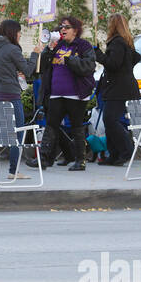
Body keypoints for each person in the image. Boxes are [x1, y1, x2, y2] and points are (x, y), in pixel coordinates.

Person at [35, 15, 96, 170]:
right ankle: (43, 159)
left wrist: (69, 60)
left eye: (66, 27)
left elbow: (88, 66)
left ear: (75, 30)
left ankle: (80, 160)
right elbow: (42, 67)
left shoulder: (83, 46)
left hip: (76, 94)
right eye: (61, 27)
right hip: (56, 93)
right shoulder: (57, 45)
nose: (63, 29)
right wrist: (48, 49)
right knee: (51, 126)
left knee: (76, 126)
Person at [0, 19, 38, 179]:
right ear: (12, 32)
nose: (20, 35)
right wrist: (35, 53)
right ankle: (13, 171)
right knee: (18, 133)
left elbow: (2, 70)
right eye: (19, 32)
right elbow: (29, 70)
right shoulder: (12, 49)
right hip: (11, 96)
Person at [92, 13, 141, 166]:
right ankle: (114, 154)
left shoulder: (117, 43)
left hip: (118, 88)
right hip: (122, 87)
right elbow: (135, 58)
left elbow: (113, 64)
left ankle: (126, 150)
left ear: (113, 26)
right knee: (110, 120)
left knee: (110, 120)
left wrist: (98, 54)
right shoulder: (126, 42)